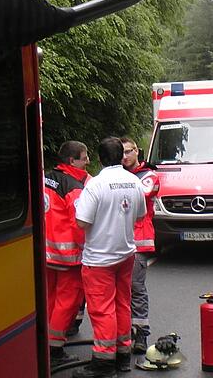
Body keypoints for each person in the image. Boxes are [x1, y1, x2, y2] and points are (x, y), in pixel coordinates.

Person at [73, 137, 148, 377]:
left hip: (99, 259)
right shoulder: (133, 182)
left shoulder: (95, 185)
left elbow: (82, 221)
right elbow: (140, 216)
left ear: (100, 158)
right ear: (120, 157)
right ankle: (123, 354)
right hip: (126, 254)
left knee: (102, 310)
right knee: (122, 304)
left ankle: (104, 363)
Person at [44, 141, 90, 368]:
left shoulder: (45, 177)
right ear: (72, 161)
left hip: (46, 254)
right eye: (84, 158)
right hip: (68, 255)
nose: (88, 162)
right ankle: (55, 348)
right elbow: (79, 223)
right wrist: (88, 249)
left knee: (49, 298)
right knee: (68, 301)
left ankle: (44, 342)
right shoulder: (73, 186)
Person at [121, 136, 159, 354]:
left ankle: (141, 334)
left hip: (139, 241)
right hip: (118, 240)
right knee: (121, 290)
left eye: (129, 151)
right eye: (122, 153)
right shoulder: (120, 175)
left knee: (136, 289)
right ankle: (125, 333)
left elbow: (141, 195)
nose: (125, 156)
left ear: (137, 151)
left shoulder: (149, 175)